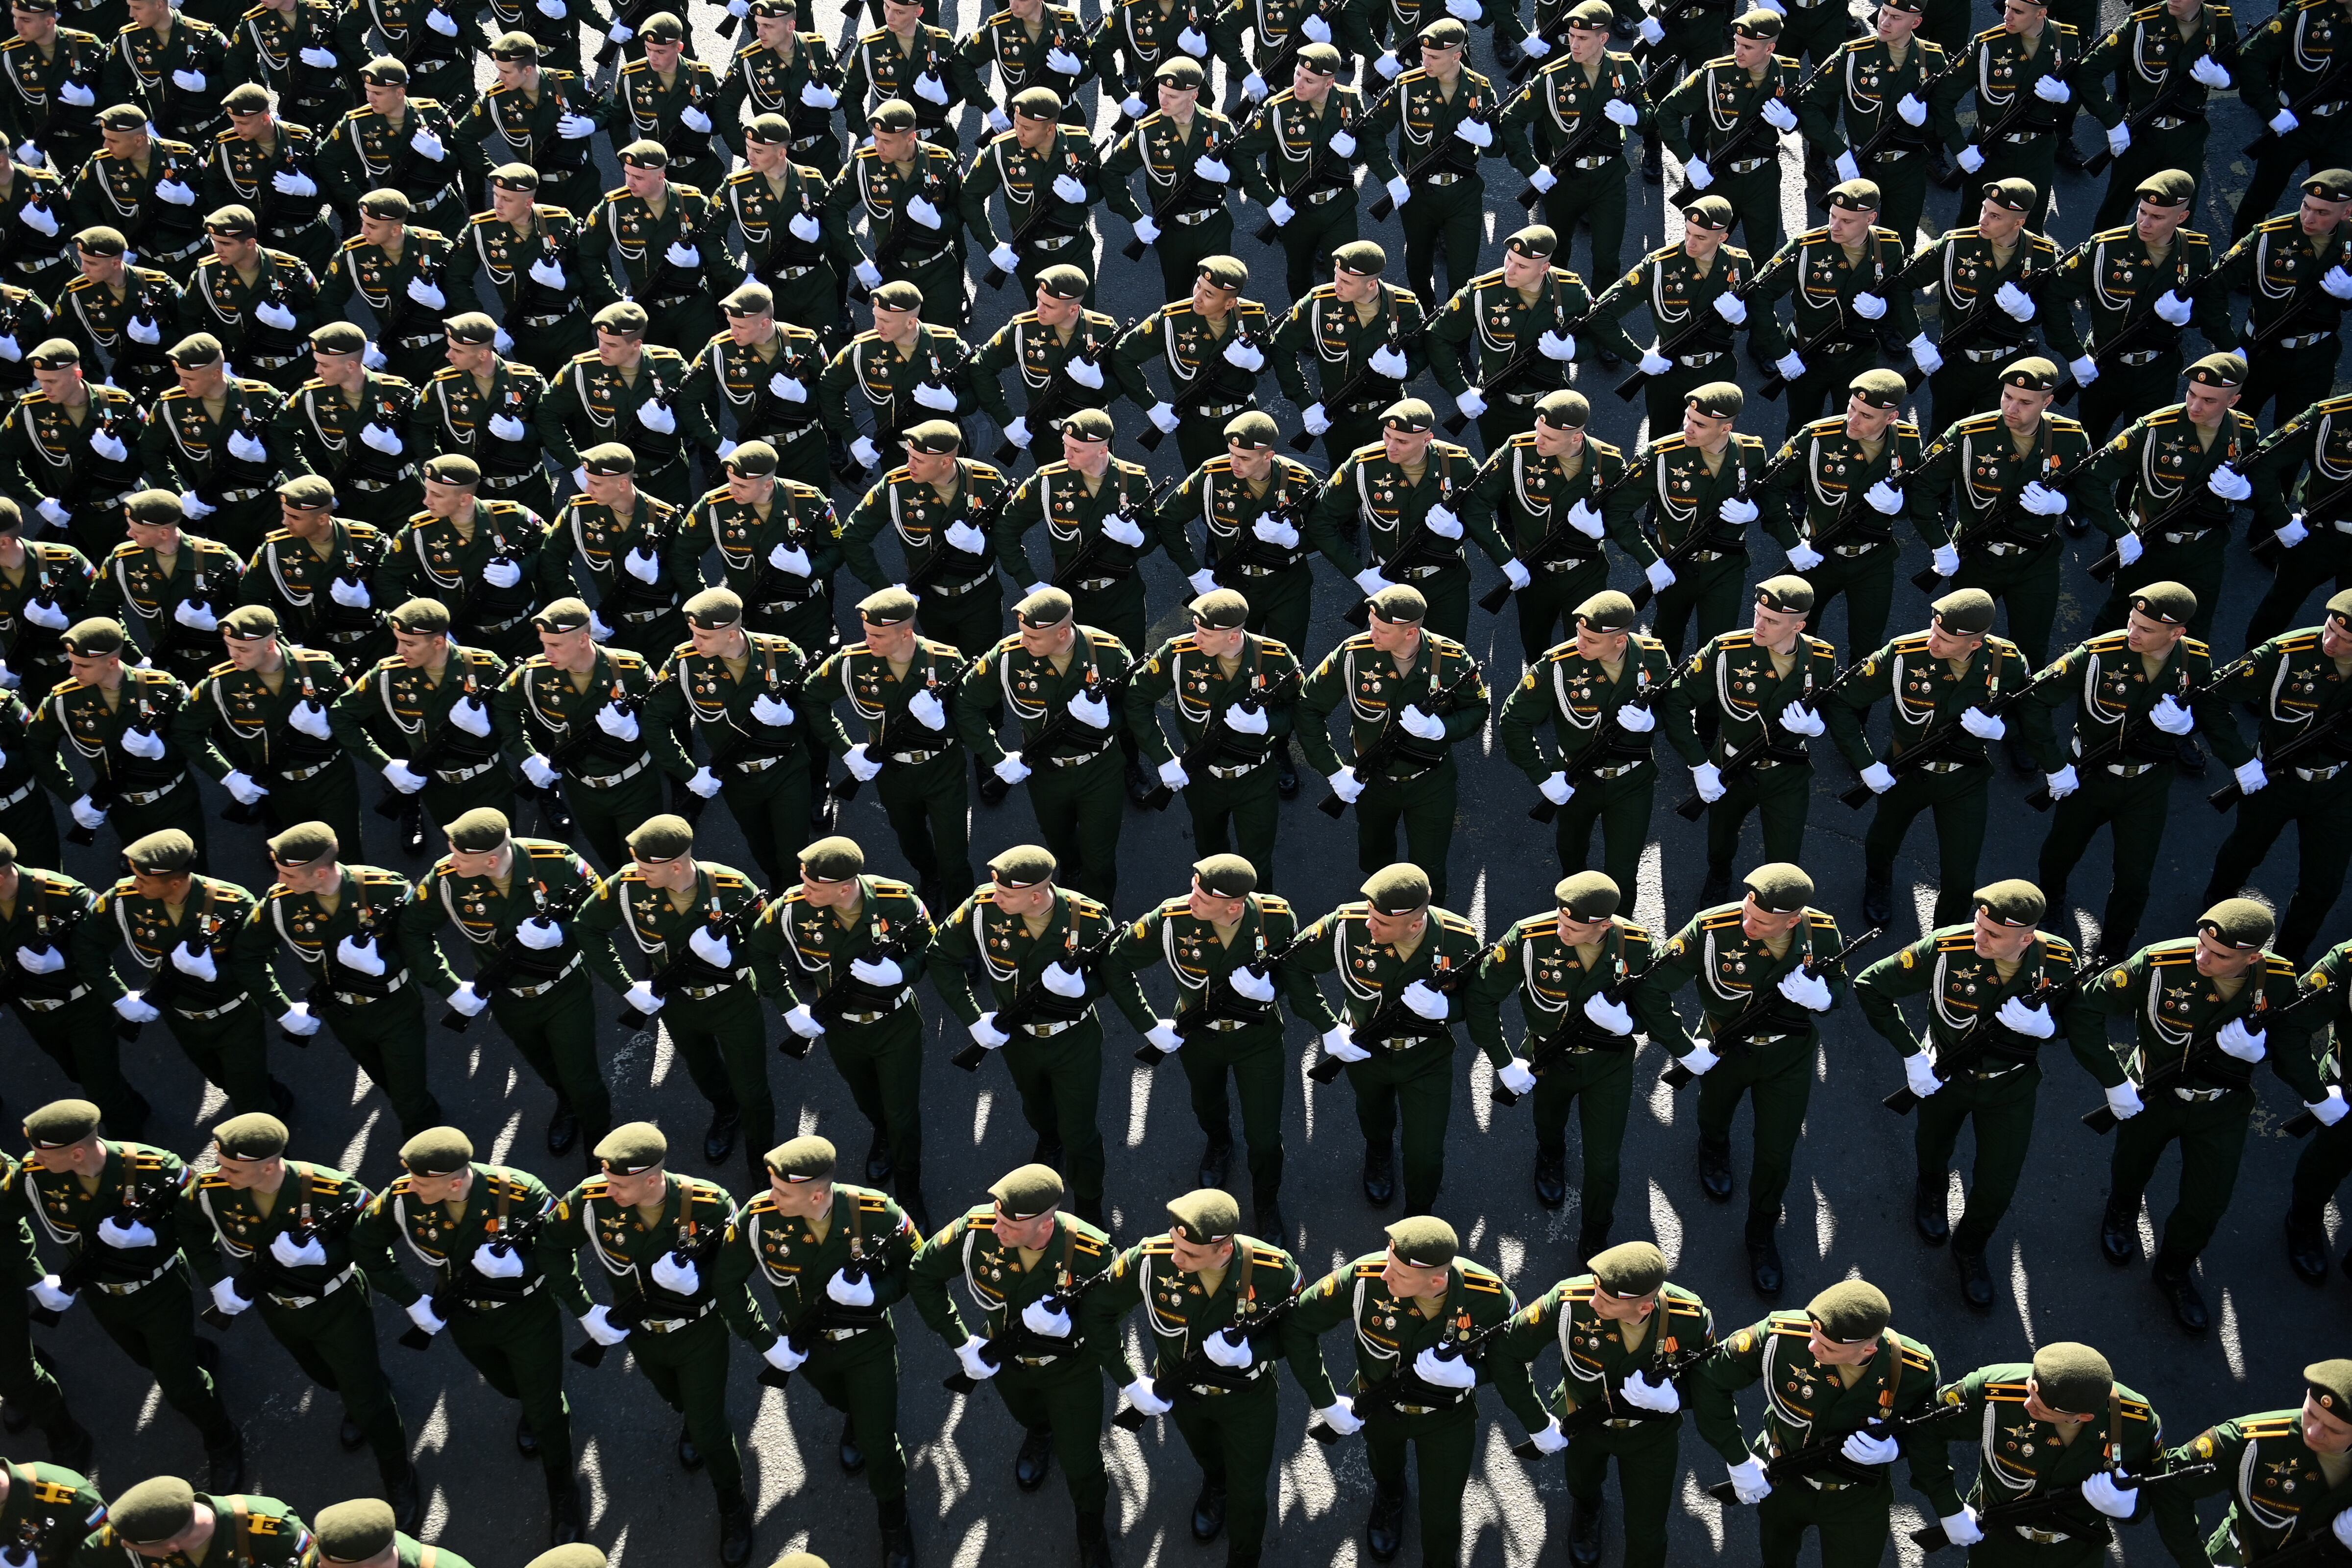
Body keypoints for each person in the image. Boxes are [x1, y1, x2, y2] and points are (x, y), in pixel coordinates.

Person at [2069, 898, 2327, 1331]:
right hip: (2152, 1095)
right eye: (2202, 944)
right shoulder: (2159, 963)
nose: (2202, 957)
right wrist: (2115, 1083)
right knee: (2132, 1166)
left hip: (2222, 1107)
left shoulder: (2279, 980)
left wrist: (2259, 1055)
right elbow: (2086, 1009)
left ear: (2254, 957)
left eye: (2220, 955)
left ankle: (2173, 1271)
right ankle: (2122, 1209)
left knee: (2207, 1203)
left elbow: (2289, 1038)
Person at [1851, 880, 2087, 1308]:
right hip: (1945, 1078)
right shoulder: (1946, 949)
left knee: (1998, 1184)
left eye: (1993, 935)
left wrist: (2051, 1029)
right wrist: (1911, 1055)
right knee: (1933, 1145)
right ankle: (1930, 1190)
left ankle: (1971, 1248)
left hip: (2011, 1087)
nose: (1978, 937)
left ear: (2027, 937)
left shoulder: (2059, 959)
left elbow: (2081, 1019)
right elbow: (1871, 986)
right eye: (1978, 925)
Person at [178, 1113, 418, 1527]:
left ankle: (398, 1473)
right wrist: (217, 1282)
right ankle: (356, 1394)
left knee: (368, 1400)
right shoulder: (212, 1189)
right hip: (278, 1308)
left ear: (268, 1166)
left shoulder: (335, 1192)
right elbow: (190, 1226)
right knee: (320, 1373)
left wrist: (329, 1256)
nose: (219, 1172)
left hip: (336, 1305)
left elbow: (376, 1242)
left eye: (232, 1167)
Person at [348, 1127, 583, 1546]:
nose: (411, 1188)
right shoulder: (406, 1196)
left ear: (455, 1182)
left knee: (546, 1409)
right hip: (464, 1316)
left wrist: (524, 1269)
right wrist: (411, 1299)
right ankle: (530, 1405)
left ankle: (562, 1489)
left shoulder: (519, 1192)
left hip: (527, 1315)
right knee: (504, 1383)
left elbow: (561, 1248)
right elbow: (365, 1242)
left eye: (423, 1183)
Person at [1633, 862, 1850, 1295]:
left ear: (1793, 920)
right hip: (1723, 1046)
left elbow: (1839, 986)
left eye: (1762, 922)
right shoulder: (1711, 929)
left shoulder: (1822, 934)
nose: (1747, 923)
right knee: (1714, 1112)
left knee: (1777, 1152)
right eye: (1748, 912)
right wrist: (1682, 1047)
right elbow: (1652, 985)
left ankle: (1761, 1233)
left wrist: (1824, 997)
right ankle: (1713, 1147)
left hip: (1788, 1055)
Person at [542, 1123, 753, 1568]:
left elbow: (736, 1270)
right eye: (608, 1180)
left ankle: (732, 1503)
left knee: (710, 1427)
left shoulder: (711, 1206)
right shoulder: (591, 1199)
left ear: (653, 1180)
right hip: (639, 1332)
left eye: (621, 1184)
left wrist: (700, 1285)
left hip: (698, 1332)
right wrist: (586, 1311)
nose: (609, 1189)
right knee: (672, 1397)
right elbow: (550, 1248)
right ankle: (690, 1421)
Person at [714, 1136, 922, 1568]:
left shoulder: (877, 1214)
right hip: (807, 1350)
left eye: (781, 1192)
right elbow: (726, 1282)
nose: (770, 1197)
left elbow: (916, 1269)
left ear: (816, 1194)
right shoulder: (758, 1218)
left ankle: (894, 1523)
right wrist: (764, 1342)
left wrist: (875, 1293)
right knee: (839, 1401)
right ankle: (853, 1416)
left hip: (868, 1347)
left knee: (879, 1445)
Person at [1078, 1189, 1305, 1568]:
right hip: (1181, 1393)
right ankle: (1215, 1483)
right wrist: (1130, 1383)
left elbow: (1300, 1331)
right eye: (1174, 1242)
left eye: (1189, 1254)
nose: (1175, 1257)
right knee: (1206, 1454)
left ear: (1224, 1250)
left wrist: (1255, 1353)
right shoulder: (1151, 1260)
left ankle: (1245, 1556)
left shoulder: (1274, 1271)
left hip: (1248, 1398)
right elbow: (1097, 1311)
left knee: (1249, 1495)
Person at [906, 1164, 1117, 1568]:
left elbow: (1115, 1313)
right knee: (1027, 1414)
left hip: (1070, 1368)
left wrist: (1072, 1325)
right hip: (1005, 1358)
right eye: (997, 1218)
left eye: (1008, 1226)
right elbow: (922, 1272)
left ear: (1044, 1225)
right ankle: (1040, 1433)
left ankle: (1091, 1531)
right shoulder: (978, 1228)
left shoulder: (1092, 1252)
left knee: (1082, 1463)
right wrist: (961, 1341)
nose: (996, 1230)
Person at [927, 845, 1149, 1229]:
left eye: (1006, 894)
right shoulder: (982, 909)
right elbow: (941, 954)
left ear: (1036, 895)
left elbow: (1113, 975)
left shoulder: (1089, 918)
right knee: (1035, 1105)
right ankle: (1049, 1140)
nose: (995, 896)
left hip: (1072, 1040)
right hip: (1018, 1040)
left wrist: (1083, 987)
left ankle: (1090, 1200)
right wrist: (973, 1018)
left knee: (1080, 1134)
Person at [2016, 581, 2237, 964]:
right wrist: (2054, 766)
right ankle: (2051, 904)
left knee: (2135, 879)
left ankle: (2114, 948)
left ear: (2177, 633)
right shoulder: (2098, 655)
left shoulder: (2196, 662)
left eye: (2146, 629)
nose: (2132, 633)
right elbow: (2034, 701)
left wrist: (2188, 727)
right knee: (2060, 853)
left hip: (2148, 784)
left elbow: (2212, 712)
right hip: (2088, 776)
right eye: (2132, 622)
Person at [14, 1098, 229, 1483]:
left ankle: (222, 1440)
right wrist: (36, 1278)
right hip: (101, 1294)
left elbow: (203, 1221)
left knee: (180, 1387)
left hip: (158, 1290)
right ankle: (193, 1353)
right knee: (142, 1357)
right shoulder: (37, 1175)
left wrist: (153, 1235)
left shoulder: (156, 1168)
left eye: (41, 1154)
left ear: (77, 1153)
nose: (31, 1159)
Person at [1281, 1216, 1518, 1566]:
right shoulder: (1364, 1277)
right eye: (1388, 1263)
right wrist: (1326, 1401)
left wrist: (1472, 1375)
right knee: (1384, 1465)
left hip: (1448, 1420)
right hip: (1379, 1409)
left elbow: (1514, 1356)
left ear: (1437, 1280)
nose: (1384, 1276)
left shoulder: (1490, 1297)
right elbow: (1299, 1323)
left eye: (1399, 1274)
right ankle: (1391, 1496)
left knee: (1442, 1516)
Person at [1105, 855, 1323, 1233]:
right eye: (1193, 889)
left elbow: (1294, 971)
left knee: (1266, 1138)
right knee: (1206, 1103)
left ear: (1234, 906)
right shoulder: (1171, 920)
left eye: (1203, 899)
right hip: (1198, 1037)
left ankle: (1266, 1203)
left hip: (1258, 1040)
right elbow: (1115, 962)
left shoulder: (1276, 918)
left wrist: (1271, 991)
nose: (1191, 901)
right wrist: (1149, 1026)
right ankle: (1219, 1143)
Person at [1692, 1280, 1955, 1565]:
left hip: (1856, 1498)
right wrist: (1738, 1459)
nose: (1812, 1346)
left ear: (1868, 1351)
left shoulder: (1915, 1369)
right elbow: (1710, 1379)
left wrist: (1896, 1449)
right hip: (1782, 1477)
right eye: (1813, 1332)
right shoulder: (1780, 1335)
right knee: (1775, 1557)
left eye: (1828, 1348)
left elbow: (1927, 1431)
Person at [395, 808, 608, 1157]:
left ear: (492, 860)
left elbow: (600, 910)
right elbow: (413, 930)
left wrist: (562, 932)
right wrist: (448, 986)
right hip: (506, 996)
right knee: (543, 1064)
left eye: (461, 856)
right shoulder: (448, 878)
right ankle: (566, 1104)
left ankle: (599, 1143)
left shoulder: (556, 862)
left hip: (563, 989)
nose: (452, 860)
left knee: (582, 1076)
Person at [749, 836, 938, 1227]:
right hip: (839, 1027)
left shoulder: (897, 901)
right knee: (866, 1096)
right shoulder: (792, 909)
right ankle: (881, 1135)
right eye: (805, 882)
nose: (804, 891)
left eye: (814, 887)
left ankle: (908, 1185)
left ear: (846, 887)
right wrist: (788, 1007)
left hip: (895, 1026)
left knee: (902, 1112)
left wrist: (902, 972)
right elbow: (759, 949)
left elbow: (931, 945)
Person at [1488, 1241, 1713, 1568]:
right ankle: (1588, 1509)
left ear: (1644, 1309)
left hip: (1650, 1435)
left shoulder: (1689, 1318)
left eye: (1606, 1300)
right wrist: (1537, 1422)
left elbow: (1713, 1383)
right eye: (1595, 1290)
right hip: (1583, 1421)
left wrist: (1676, 1399)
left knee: (1648, 1534)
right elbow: (1506, 1353)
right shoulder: (1568, 1301)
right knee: (1582, 1482)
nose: (1593, 1302)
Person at [575, 815, 779, 1173]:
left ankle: (759, 1155)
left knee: (752, 1087)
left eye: (646, 867)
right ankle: (725, 1113)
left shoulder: (734, 888)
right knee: (702, 1069)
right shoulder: (627, 885)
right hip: (677, 1002)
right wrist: (626, 987)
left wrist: (732, 957)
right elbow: (587, 927)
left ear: (678, 865)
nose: (636, 872)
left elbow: (767, 947)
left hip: (732, 1000)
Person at [1288, 863, 1488, 1214]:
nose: (1369, 925)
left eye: (1381, 923)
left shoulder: (1460, 940)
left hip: (1426, 1057)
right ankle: (1378, 1150)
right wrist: (1329, 1026)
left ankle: (1419, 1217)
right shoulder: (1346, 925)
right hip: (1364, 1050)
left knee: (1426, 1155)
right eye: (1370, 914)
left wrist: (1446, 1010)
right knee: (1373, 1114)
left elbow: (1482, 999)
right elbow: (1293, 963)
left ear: (1415, 924)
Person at [1466, 871, 1655, 1237]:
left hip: (1608, 1064)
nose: (1561, 930)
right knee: (1548, 1124)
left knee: (1603, 1162)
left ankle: (1597, 1229)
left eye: (1572, 927)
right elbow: (1482, 995)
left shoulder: (1637, 944)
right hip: (1548, 1058)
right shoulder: (1529, 936)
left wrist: (1628, 1024)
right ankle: (1550, 1155)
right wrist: (1503, 1062)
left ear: (1603, 926)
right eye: (1560, 918)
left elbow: (1655, 1008)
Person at [1826, 588, 2028, 928]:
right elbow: (1843, 702)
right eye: (1934, 630)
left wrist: (2003, 732)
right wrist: (1865, 763)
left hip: (1964, 778)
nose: (1932, 642)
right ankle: (1878, 883)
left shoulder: (2006, 663)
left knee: (1961, 881)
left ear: (1974, 645)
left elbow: (2029, 712)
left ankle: (1941, 943)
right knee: (1882, 841)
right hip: (1906, 768)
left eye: (1946, 640)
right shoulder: (1904, 655)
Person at [992, 408, 1166, 799]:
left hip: (1120, 599)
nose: (1065, 453)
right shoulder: (1050, 481)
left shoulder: (1134, 482)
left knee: (1124, 683)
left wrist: (1137, 538)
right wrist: (1030, 585)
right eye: (1065, 445)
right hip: (1067, 604)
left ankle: (1129, 762)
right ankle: (1056, 752)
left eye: (1075, 448)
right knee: (1058, 678)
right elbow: (1006, 526)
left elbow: (1156, 536)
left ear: (1103, 449)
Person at [234, 821, 443, 1138]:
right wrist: (282, 1008)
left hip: (395, 1008)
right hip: (342, 1015)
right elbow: (247, 954)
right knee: (383, 1077)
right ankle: (422, 1110)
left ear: (319, 874)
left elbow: (418, 942)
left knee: (407, 1098)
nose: (279, 880)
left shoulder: (385, 889)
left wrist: (382, 965)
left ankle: (425, 1146)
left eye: (288, 875)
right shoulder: (281, 904)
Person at [1294, 584, 1490, 906]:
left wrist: (1441, 728)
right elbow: (1309, 707)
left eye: (1382, 630)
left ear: (1411, 633)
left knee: (1429, 870)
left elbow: (1478, 710)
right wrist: (1332, 771)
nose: (1371, 633)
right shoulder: (1353, 654)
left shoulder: (1452, 659)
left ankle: (1428, 928)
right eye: (1372, 625)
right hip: (1372, 783)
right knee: (1375, 856)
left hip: (1431, 783)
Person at [1909, 355, 2098, 675]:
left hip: (2036, 561)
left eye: (2025, 402)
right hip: (1977, 559)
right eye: (2008, 396)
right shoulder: (1968, 435)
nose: (2012, 408)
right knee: (1958, 642)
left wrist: (2063, 505)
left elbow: (2093, 492)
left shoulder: (2070, 437)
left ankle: (2016, 709)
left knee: (2031, 649)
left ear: (2048, 401)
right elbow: (1921, 489)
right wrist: (1940, 545)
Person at [80, 828, 287, 1118]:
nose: (135, 884)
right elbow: (87, 944)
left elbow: (261, 959)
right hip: (180, 1017)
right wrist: (119, 997)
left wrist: (216, 974)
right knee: (224, 1081)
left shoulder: (232, 903)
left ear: (176, 882)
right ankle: (272, 1094)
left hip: (234, 1017)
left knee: (250, 1106)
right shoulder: (124, 898)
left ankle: (270, 1153)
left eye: (143, 880)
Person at [1151, 416, 1322, 760]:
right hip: (1234, 588)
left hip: (1287, 587)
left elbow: (1327, 531)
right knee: (1229, 663)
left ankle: (1278, 746)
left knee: (1280, 670)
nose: (1234, 463)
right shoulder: (1213, 476)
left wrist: (1296, 540)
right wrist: (1195, 573)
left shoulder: (1301, 482)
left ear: (1268, 456)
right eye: (1231, 454)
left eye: (1243, 458)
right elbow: (1167, 518)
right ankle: (1224, 736)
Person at [1661, 576, 1839, 904]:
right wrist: (1699, 765)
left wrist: (1819, 726)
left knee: (1785, 860)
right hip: (1730, 764)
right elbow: (1676, 701)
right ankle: (1719, 875)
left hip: (1786, 772)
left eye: (1771, 621)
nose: (1759, 624)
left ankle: (1773, 907)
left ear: (1799, 626)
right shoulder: (1727, 650)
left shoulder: (1822, 659)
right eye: (1757, 613)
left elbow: (1835, 706)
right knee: (1720, 840)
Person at [951, 588, 1135, 906]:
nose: (1023, 642)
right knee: (1057, 837)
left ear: (1063, 633)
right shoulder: (1010, 657)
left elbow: (1138, 707)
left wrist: (1109, 719)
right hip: (1045, 772)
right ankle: (1071, 866)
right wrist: (996, 759)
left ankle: (1096, 916)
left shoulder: (1108, 653)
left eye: (1033, 637)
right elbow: (967, 703)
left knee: (1101, 860)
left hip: (1099, 769)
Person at [2198, 589, 2352, 964]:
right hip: (2275, 777)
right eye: (2331, 629)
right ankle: (2212, 925)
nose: (2331, 642)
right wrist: (2239, 760)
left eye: (2347, 640)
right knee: (2244, 852)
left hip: (2338, 788)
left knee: (2323, 884)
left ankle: (2288, 960)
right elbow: (2211, 695)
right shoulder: (2288, 653)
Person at [2078, 353, 2267, 647]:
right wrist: (2120, 532)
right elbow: (2092, 479)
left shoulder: (2243, 431)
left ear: (2233, 401)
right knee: (2121, 618)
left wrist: (2245, 492)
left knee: (2197, 624)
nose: (2195, 405)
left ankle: (2184, 687)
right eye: (2192, 394)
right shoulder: (2154, 429)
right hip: (2150, 543)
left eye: (2209, 400)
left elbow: (2258, 481)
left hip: (2205, 546)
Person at [489, 596, 687, 871]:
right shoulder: (534, 675)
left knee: (647, 862)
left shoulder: (630, 670)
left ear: (583, 640)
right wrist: (526, 756)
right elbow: (502, 707)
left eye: (556, 645)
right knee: (612, 861)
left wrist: (636, 731)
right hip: (581, 788)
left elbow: (668, 715)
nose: (547, 652)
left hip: (634, 786)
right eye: (545, 643)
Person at [809, 587, 974, 910]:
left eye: (878, 636)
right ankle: (930, 877)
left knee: (954, 852)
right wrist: (846, 750)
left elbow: (974, 724)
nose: (868, 641)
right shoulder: (852, 662)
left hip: (942, 769)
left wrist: (943, 724)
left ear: (906, 633)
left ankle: (961, 913)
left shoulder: (947, 661)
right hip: (893, 772)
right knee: (909, 838)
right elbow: (811, 696)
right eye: (867, 633)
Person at [1121, 591, 1301, 885]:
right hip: (1202, 776)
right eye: (1196, 630)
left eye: (1204, 634)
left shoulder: (1275, 658)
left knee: (1257, 865)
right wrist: (1163, 759)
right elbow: (1136, 698)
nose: (1195, 639)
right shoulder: (1178, 654)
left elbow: (1301, 712)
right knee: (1209, 859)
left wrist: (1268, 724)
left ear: (1233, 637)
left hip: (1255, 779)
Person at [1498, 591, 1673, 892]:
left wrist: (1654, 721)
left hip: (1633, 781)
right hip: (1575, 780)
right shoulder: (1559, 665)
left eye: (1590, 640)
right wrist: (1542, 778)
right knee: (1572, 857)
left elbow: (1675, 707)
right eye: (1579, 634)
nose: (1579, 644)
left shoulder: (1653, 657)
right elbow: (1513, 721)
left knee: (1624, 872)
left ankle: (1619, 934)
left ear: (1620, 640)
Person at [1304, 398, 1512, 648]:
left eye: (1402, 441)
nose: (1390, 446)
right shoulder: (1364, 466)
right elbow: (1321, 521)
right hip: (1389, 581)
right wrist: (1359, 575)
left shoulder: (1457, 464)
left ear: (1427, 439)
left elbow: (1478, 514)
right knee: (1389, 657)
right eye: (1387, 436)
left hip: (1445, 583)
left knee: (1448, 655)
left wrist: (1460, 530)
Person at [648, 587, 817, 890]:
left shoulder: (782, 655)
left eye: (703, 637)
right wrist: (688, 772)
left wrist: (790, 719)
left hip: (786, 770)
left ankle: (790, 899)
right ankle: (779, 885)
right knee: (759, 846)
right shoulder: (685, 663)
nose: (694, 642)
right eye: (693, 633)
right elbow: (654, 718)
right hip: (737, 778)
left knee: (793, 853)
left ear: (731, 634)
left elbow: (815, 712)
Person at [1931, 1343, 2163, 1556]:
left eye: (2042, 1409)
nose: (2027, 1404)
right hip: (1997, 1536)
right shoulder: (1992, 1388)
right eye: (2031, 1390)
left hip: (2075, 1549)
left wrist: (2131, 1508)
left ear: (2083, 1417)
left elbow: (2162, 1486)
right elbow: (1926, 1429)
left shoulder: (2137, 1422)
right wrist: (1950, 1508)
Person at [1761, 369, 1927, 662]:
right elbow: (1771, 485)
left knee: (1868, 651)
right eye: (1852, 407)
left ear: (1891, 418)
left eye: (1866, 415)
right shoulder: (1817, 437)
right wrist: (1791, 544)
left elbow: (1923, 500)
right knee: (1793, 640)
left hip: (1874, 560)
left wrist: (1899, 507)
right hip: (1818, 555)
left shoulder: (1908, 442)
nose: (1852, 419)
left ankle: (1850, 707)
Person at [2049, 169, 2224, 442]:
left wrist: (2188, 316)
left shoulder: (2196, 251)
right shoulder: (2106, 248)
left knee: (2146, 448)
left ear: (2182, 217)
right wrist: (2074, 355)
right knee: (2087, 444)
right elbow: (2054, 295)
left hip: (2158, 372)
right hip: (2104, 368)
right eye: (2142, 212)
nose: (2144, 222)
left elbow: (2211, 307)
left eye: (2157, 217)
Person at [174, 604, 364, 856]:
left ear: (270, 643)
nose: (233, 654)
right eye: (229, 645)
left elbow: (357, 716)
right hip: (280, 787)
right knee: (301, 857)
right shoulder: (222, 684)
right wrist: (229, 777)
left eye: (242, 649)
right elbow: (184, 729)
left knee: (347, 853)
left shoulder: (319, 669)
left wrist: (330, 729)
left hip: (332, 778)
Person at [1598, 381, 1767, 663]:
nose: (1688, 427)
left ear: (1725, 428)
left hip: (1726, 567)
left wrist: (1756, 511)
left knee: (1719, 649)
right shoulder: (1662, 456)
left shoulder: (1751, 454)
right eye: (1688, 417)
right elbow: (1617, 512)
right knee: (1666, 640)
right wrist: (1650, 561)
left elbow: (1770, 498)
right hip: (1675, 564)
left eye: (1700, 424)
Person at [1893, 181, 2081, 434]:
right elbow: (1900, 285)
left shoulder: (2042, 256)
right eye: (1984, 209)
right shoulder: (1954, 246)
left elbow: (2053, 309)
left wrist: (2030, 313)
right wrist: (1917, 342)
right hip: (1955, 364)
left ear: (2019, 223)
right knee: (1940, 440)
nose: (1983, 219)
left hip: (2006, 370)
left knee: (1995, 442)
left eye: (1995, 216)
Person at [25, 617, 209, 864]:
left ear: (113, 662)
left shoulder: (163, 688)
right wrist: (74, 798)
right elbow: (37, 746)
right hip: (122, 808)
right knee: (142, 876)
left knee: (189, 869)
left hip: (175, 801)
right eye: (72, 663)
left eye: (83, 666)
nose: (73, 671)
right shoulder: (64, 700)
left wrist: (162, 750)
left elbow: (196, 737)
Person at [328, 597, 517, 836]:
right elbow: (341, 715)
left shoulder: (485, 667)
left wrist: (489, 729)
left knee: (499, 847)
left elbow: (518, 715)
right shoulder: (389, 675)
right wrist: (385, 765)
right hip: (437, 788)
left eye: (409, 644)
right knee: (460, 849)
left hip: (488, 782)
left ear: (438, 642)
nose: (399, 650)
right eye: (398, 641)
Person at [1747, 191, 1919, 450]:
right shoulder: (1805, 248)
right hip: (1807, 354)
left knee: (1857, 427)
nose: (1835, 226)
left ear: (1871, 218)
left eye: (1847, 221)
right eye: (1833, 216)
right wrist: (1780, 352)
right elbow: (1759, 294)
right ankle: (1795, 480)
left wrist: (1884, 311)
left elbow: (1898, 292)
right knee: (1801, 426)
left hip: (1858, 357)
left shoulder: (1889, 247)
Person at [1795, 0, 1964, 250]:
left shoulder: (1932, 59)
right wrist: (1839, 153)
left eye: (1896, 17)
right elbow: (1809, 104)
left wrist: (1924, 121)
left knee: (1900, 243)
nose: (1884, 21)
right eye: (1884, 12)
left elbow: (1944, 118)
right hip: (1861, 164)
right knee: (1848, 243)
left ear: (1916, 23)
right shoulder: (1853, 55)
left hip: (1907, 168)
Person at [838, 418, 1012, 660]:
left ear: (946, 461)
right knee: (938, 668)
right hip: (930, 600)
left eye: (919, 460)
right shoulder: (897, 485)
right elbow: (853, 536)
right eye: (909, 455)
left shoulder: (988, 481)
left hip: (980, 598)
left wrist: (984, 545)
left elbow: (1010, 534)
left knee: (982, 671)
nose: (909, 464)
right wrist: (885, 589)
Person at [0, 835, 141, 1132]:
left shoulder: (62, 893)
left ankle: (130, 1150)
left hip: (82, 1007)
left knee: (103, 1096)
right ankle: (136, 1106)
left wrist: (66, 960)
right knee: (77, 1072)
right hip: (31, 1010)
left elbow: (111, 933)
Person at [1501, 4, 1648, 289]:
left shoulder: (1625, 68)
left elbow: (1648, 115)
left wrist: (1634, 117)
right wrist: (1532, 169)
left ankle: (1598, 322)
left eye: (1582, 38)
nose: (1573, 43)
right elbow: (1511, 120)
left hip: (1610, 177)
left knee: (1607, 260)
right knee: (1556, 259)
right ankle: (1557, 312)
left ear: (1603, 39)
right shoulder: (1552, 76)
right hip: (1565, 179)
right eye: (1571, 36)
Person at [1231, 47, 1393, 302]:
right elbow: (1242, 153)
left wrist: (1354, 151)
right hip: (1298, 211)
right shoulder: (1279, 109)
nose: (1298, 84)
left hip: (1338, 206)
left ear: (1330, 82)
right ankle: (1304, 326)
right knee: (1299, 275)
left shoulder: (1349, 102)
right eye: (1297, 74)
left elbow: (1369, 151)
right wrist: (1270, 200)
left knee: (1346, 273)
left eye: (1309, 80)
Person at [1364, 19, 1503, 315]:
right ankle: (1424, 315)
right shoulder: (1406, 87)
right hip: (1419, 193)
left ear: (1457, 56)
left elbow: (1501, 146)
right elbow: (1371, 132)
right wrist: (1390, 178)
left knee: (1463, 273)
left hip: (1463, 193)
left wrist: (1488, 139)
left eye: (1434, 57)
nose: (1425, 60)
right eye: (1424, 54)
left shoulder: (1480, 88)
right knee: (1417, 263)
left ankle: (1454, 332)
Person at [2153, 1359, 2352, 1563]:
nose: (2313, 1432)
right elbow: (2172, 1485)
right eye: (2310, 1414)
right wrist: (2197, 1563)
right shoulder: (2255, 1440)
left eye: (2334, 1430)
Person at [1425, 225, 1592, 458]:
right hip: (1498, 407)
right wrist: (1460, 390)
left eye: (1522, 266)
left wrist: (1576, 351)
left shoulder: (1571, 291)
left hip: (1552, 404)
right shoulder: (1482, 293)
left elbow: (1597, 334)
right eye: (1509, 259)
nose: (1509, 270)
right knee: (1499, 468)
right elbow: (1439, 336)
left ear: (1544, 268)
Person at [1654, 10, 1802, 257]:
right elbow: (1667, 112)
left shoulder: (1789, 71)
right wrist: (1690, 162)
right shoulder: (1715, 74)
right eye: (1736, 43)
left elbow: (1807, 114)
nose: (1738, 51)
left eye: (1747, 46)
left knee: (1763, 253)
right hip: (1722, 177)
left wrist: (1791, 122)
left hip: (1762, 177)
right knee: (1705, 250)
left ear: (1770, 48)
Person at [2078, 0, 2237, 230]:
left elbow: (2239, 68)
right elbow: (2088, 72)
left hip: (2187, 137)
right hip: (2141, 135)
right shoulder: (2142, 23)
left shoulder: (2219, 21)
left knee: (2181, 216)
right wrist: (2113, 123)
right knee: (2114, 212)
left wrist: (2224, 79)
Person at [1109, 253, 1273, 474]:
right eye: (1198, 286)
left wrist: (1258, 362)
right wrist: (1152, 406)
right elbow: (1123, 355)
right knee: (1205, 486)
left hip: (1242, 418)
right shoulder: (1172, 319)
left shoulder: (1253, 316)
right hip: (1196, 427)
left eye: (1209, 294)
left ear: (1230, 302)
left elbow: (1273, 358)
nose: (1197, 297)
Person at [2212, 169, 2352, 428]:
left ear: (2346, 213)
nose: (2308, 218)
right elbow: (2213, 288)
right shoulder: (2268, 236)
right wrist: (2230, 347)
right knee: (2233, 433)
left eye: (2322, 213)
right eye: (2306, 207)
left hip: (2315, 357)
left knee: (2295, 439)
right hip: (2258, 351)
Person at [1100, 57, 1238, 302]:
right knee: (1178, 298)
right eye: (1161, 92)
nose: (1162, 101)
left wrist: (1226, 175)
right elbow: (1110, 173)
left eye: (1172, 96)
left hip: (1214, 226)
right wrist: (1136, 217)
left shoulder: (1220, 128)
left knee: (1218, 294)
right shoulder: (1146, 132)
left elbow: (1246, 175)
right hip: (1174, 231)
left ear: (1194, 96)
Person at [535, 305, 695, 508]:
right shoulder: (583, 369)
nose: (601, 348)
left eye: (611, 344)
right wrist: (576, 466)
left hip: (667, 477)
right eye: (600, 340)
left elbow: (697, 417)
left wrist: (674, 426)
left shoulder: (670, 366)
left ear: (636, 345)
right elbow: (547, 413)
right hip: (609, 480)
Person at [574, 139, 724, 355]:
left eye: (638, 177)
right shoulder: (614, 206)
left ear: (661, 176)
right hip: (648, 309)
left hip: (694, 307)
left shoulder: (692, 202)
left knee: (699, 375)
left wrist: (698, 259)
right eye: (627, 174)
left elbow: (715, 247)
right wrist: (614, 298)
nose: (630, 182)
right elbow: (588, 255)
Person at [235, 477, 395, 671]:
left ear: (322, 519)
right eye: (285, 514)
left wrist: (369, 600)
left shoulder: (366, 540)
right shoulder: (277, 548)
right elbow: (251, 597)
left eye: (295, 517)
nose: (285, 522)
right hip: (317, 649)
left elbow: (404, 587)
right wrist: (281, 643)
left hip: (376, 644)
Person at [409, 311, 558, 521]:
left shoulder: (528, 382)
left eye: (457, 351)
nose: (448, 355)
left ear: (482, 355)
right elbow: (420, 424)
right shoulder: (444, 385)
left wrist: (524, 433)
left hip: (529, 488)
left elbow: (554, 432)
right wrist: (435, 464)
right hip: (478, 493)